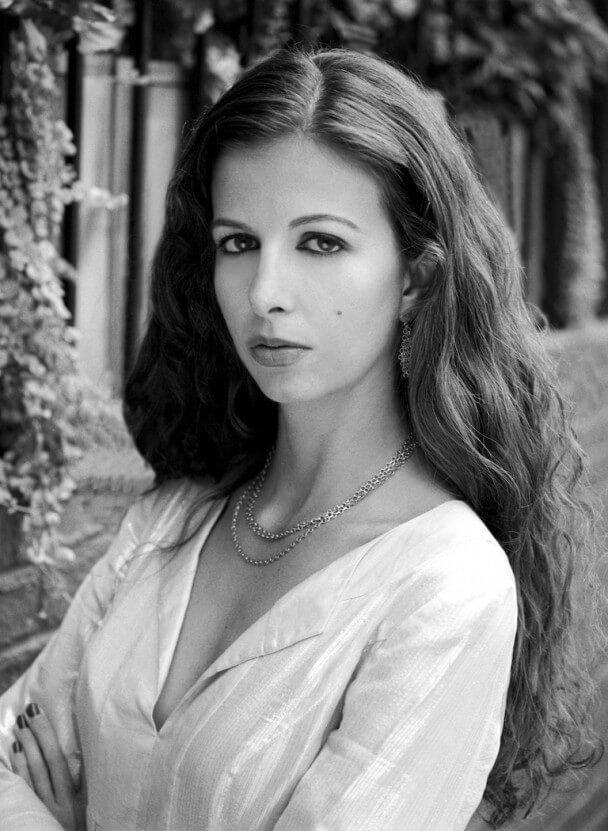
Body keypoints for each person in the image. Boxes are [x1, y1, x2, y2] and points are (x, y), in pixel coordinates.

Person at [0, 44, 604, 831]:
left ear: (416, 278)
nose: (265, 292)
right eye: (238, 243)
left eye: (320, 242)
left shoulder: (445, 586)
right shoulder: (174, 518)